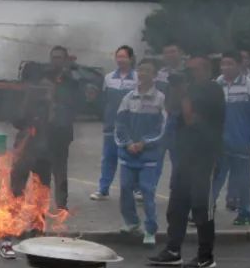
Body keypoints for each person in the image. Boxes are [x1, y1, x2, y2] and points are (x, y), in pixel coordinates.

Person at [148, 55, 225, 268]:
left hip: (205, 156)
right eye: (188, 70)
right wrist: (176, 90)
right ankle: (173, 250)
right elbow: (172, 109)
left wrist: (184, 95)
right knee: (177, 206)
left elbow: (191, 119)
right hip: (184, 156)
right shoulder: (188, 90)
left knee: (201, 207)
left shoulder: (212, 91)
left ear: (207, 70)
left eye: (195, 70)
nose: (191, 74)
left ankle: (205, 256)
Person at [0, 68, 56, 260]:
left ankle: (37, 235)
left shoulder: (55, 103)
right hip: (24, 151)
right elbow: (17, 120)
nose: (44, 90)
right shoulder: (27, 100)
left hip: (45, 154)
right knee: (15, 195)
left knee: (42, 196)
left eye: (47, 87)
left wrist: (51, 103)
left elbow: (61, 127)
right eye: (41, 87)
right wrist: (29, 100)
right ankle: (7, 240)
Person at [115, 58, 167, 247]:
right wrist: (128, 143)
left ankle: (150, 229)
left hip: (149, 156)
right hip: (129, 154)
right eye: (141, 70)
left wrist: (144, 143)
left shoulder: (160, 99)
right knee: (125, 189)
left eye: (147, 70)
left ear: (154, 75)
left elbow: (163, 127)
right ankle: (131, 223)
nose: (143, 73)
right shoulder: (128, 98)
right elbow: (119, 124)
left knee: (147, 191)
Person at [211, 51, 250, 226]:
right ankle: (206, 208)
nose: (226, 67)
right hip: (220, 143)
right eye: (223, 64)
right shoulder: (216, 85)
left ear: (238, 65)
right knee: (215, 177)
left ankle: (245, 212)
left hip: (242, 143)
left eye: (230, 64)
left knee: (243, 180)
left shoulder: (249, 85)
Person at [90, 46, 137, 201]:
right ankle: (103, 189)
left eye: (124, 56)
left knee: (131, 158)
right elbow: (104, 100)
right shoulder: (109, 78)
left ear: (130, 59)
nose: (120, 59)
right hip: (111, 124)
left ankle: (135, 190)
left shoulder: (137, 78)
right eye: (118, 56)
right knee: (108, 158)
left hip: (130, 126)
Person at [46, 46, 80, 211]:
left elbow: (76, 102)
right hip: (44, 132)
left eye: (59, 57)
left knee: (60, 170)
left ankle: (61, 205)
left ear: (65, 59)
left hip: (61, 131)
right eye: (53, 57)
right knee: (43, 171)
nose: (55, 60)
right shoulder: (45, 75)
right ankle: (41, 203)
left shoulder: (71, 79)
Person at [154, 42, 187, 189]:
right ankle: (148, 188)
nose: (170, 55)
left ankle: (177, 187)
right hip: (162, 120)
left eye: (173, 52)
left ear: (180, 53)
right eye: (166, 52)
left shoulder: (187, 72)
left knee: (178, 157)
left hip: (180, 119)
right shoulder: (160, 74)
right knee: (156, 155)